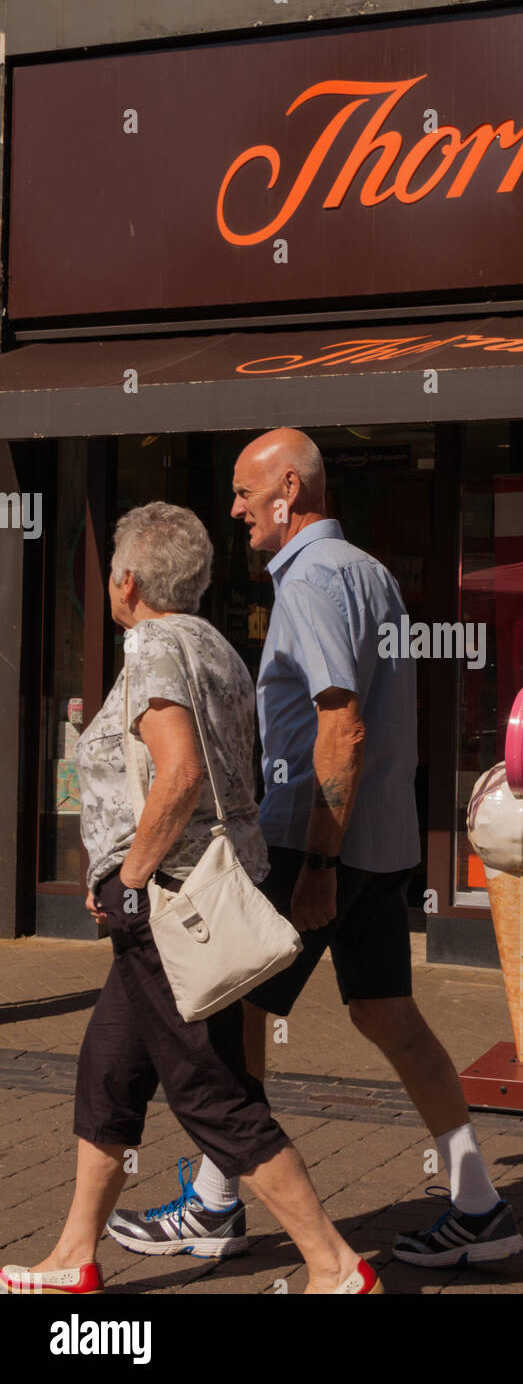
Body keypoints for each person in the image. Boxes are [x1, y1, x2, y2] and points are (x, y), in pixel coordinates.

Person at [108, 429, 523, 1268]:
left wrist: (320, 870)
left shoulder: (312, 580)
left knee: (235, 1013)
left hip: (316, 845)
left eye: (242, 493)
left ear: (287, 492)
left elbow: (343, 726)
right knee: (385, 1013)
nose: (234, 511)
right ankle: (478, 1203)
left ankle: (221, 1207)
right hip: (384, 841)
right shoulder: (370, 572)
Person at [1, 502, 381, 1296]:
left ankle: (336, 1265)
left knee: (211, 1092)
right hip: (194, 894)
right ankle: (74, 1254)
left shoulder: (155, 649)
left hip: (170, 906)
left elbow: (178, 776)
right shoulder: (214, 646)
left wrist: (126, 880)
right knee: (108, 1072)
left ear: (128, 581)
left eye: (110, 571)